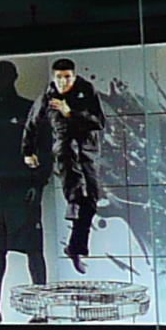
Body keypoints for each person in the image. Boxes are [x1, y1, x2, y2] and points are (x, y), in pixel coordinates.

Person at [0, 61, 49, 320]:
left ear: (14, 77)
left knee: (33, 250)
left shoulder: (30, 110)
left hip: (22, 190)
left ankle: (41, 309)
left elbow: (44, 150)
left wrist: (38, 185)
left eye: (4, 75)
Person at [30, 58, 108, 264]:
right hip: (65, 153)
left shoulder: (87, 91)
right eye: (59, 78)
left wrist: (70, 112)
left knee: (91, 200)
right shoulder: (47, 98)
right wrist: (28, 151)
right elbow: (32, 124)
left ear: (73, 76)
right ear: (53, 78)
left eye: (67, 78)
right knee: (77, 196)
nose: (63, 82)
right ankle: (75, 246)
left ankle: (75, 246)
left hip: (88, 152)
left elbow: (99, 122)